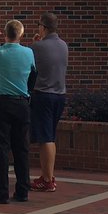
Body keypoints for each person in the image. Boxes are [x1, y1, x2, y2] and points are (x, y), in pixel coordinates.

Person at [0, 20, 35, 205]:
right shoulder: (29, 53)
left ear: (5, 33)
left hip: (1, 103)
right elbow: (33, 75)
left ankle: (2, 191)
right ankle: (22, 190)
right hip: (22, 103)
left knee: (1, 148)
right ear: (21, 34)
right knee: (21, 148)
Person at [29, 12, 69, 193]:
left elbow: (29, 66)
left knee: (45, 138)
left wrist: (35, 42)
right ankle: (47, 175)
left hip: (43, 95)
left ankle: (47, 179)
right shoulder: (64, 45)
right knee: (50, 135)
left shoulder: (37, 47)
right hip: (60, 95)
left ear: (43, 27)